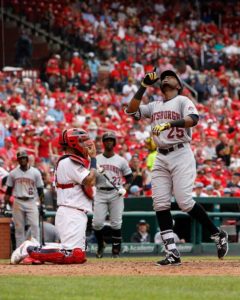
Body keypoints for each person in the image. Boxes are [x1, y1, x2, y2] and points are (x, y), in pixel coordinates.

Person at [126, 68, 228, 266]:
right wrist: (143, 86)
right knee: (160, 203)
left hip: (181, 153)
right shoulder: (154, 105)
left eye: (171, 76)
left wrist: (169, 124)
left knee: (184, 201)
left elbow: (194, 120)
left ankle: (217, 234)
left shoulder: (183, 100)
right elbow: (131, 110)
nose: (166, 79)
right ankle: (172, 252)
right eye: (164, 77)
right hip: (161, 156)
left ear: (179, 84)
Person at [10, 128, 97, 264]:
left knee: (76, 254)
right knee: (73, 255)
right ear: (74, 143)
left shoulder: (73, 161)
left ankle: (34, 249)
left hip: (75, 212)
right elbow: (89, 180)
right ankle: (28, 249)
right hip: (71, 212)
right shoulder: (68, 161)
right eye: (82, 141)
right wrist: (95, 160)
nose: (86, 144)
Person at [93, 131, 133, 258]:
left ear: (114, 142)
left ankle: (116, 250)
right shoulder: (96, 159)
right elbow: (90, 178)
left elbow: (129, 177)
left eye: (111, 140)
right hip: (100, 191)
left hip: (116, 193)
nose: (109, 142)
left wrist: (125, 188)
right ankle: (101, 244)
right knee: (97, 223)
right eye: (106, 140)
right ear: (103, 142)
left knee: (116, 223)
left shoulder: (121, 160)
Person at [4, 151, 44, 247]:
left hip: (31, 201)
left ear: (27, 159)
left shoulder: (35, 172)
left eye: (24, 158)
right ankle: (19, 252)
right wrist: (5, 203)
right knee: (19, 229)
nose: (22, 160)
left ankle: (36, 249)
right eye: (20, 158)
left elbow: (40, 189)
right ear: (18, 160)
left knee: (35, 226)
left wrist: (43, 204)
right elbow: (8, 190)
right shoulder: (13, 173)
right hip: (18, 201)